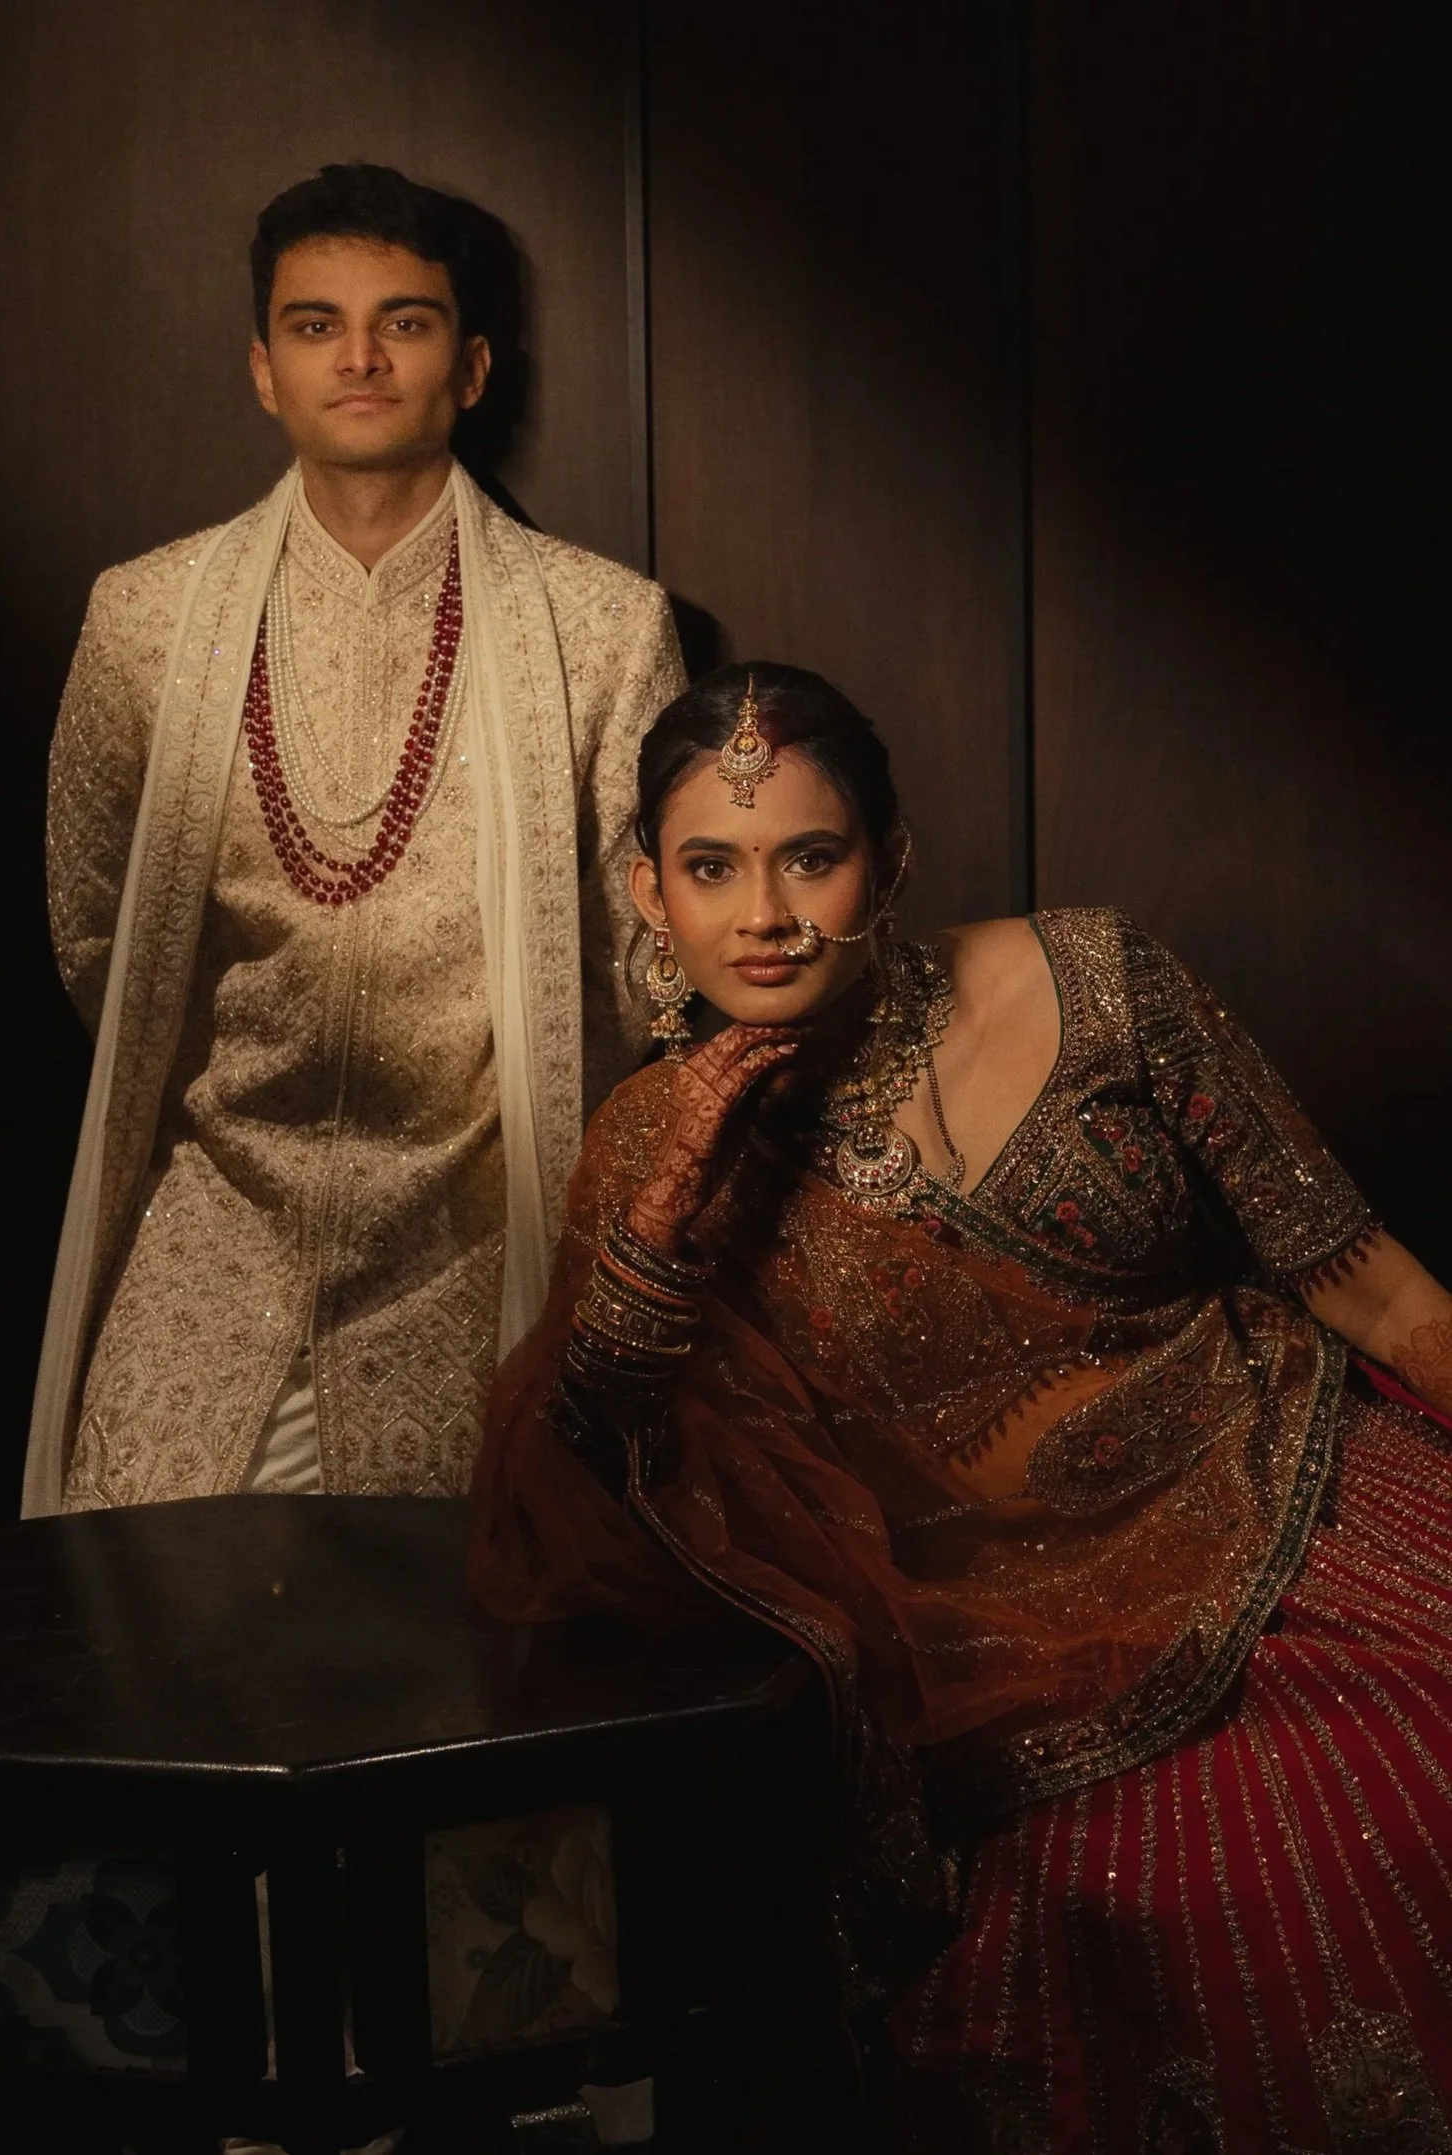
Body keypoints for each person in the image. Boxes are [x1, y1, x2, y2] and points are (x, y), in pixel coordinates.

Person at [469, 662, 1452, 2151]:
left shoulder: (1101, 984)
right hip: (999, 1656)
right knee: (1174, 1895)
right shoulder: (648, 1156)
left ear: (893, 859)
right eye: (711, 868)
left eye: (812, 855)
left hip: (1289, 1487)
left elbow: (1371, 1290)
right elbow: (591, 1489)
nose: (766, 916)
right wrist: (654, 1249)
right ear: (645, 890)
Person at [28, 162, 684, 1515]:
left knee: (449, 1671)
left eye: (406, 320)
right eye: (317, 324)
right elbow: (95, 929)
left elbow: (646, 969)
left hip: (479, 1228)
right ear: (265, 369)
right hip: (216, 1220)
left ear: (472, 365)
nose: (363, 355)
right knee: (137, 1639)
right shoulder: (145, 619)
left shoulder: (604, 628)